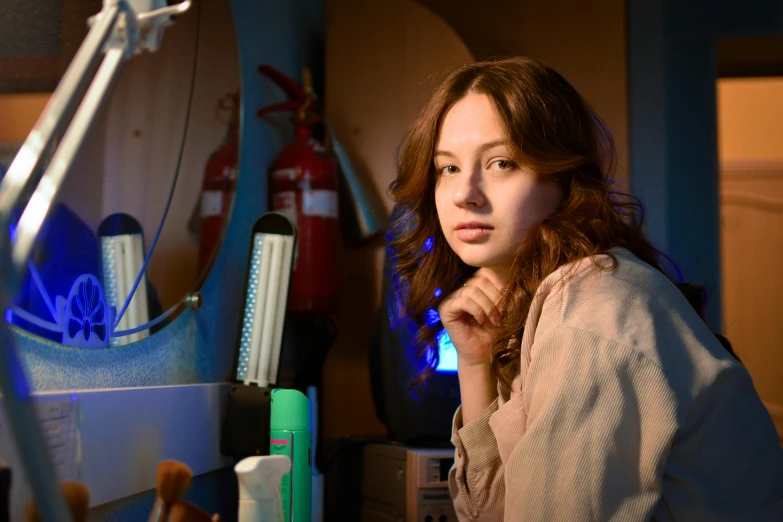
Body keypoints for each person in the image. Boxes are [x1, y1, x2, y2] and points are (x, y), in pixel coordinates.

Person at [387, 56, 783, 521]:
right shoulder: (550, 299)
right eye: (447, 168)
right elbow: (494, 512)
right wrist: (476, 364)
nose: (464, 192)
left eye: (500, 162)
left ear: (563, 177)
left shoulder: (592, 313)